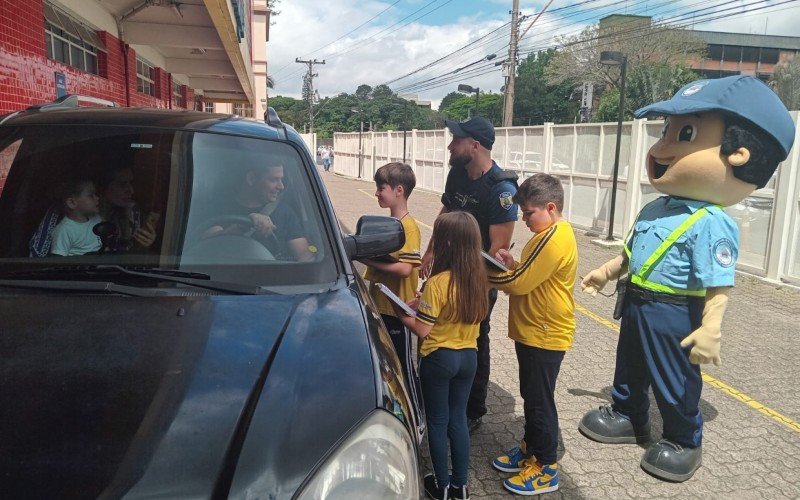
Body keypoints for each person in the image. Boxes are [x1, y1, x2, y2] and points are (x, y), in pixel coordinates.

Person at [578, 76, 795, 482]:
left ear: (740, 154)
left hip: (675, 309)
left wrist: (711, 326)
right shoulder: (656, 208)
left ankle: (683, 439)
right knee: (630, 364)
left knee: (675, 376)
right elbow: (631, 252)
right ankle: (629, 415)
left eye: (686, 134)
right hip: (638, 301)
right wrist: (606, 271)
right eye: (667, 132)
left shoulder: (711, 222)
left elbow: (718, 282)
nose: (662, 148)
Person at [421, 116, 519, 433]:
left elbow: (498, 250)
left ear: (474, 145)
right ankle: (438, 394)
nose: (450, 145)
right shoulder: (457, 173)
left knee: (474, 338)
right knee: (438, 331)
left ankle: (471, 409)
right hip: (446, 271)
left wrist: (463, 285)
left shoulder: (501, 188)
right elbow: (447, 212)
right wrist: (431, 251)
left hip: (477, 279)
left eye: (456, 140)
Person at [487, 174, 577, 496]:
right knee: (532, 396)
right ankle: (530, 449)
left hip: (545, 334)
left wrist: (484, 276)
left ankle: (546, 467)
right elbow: (529, 272)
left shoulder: (554, 239)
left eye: (528, 213)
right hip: (534, 332)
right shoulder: (548, 233)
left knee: (540, 402)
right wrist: (513, 263)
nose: (524, 220)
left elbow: (520, 283)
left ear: (550, 207)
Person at [393, 211, 488, 500]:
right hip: (468, 358)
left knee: (437, 420)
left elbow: (422, 329)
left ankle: (442, 486)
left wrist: (400, 311)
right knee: (458, 419)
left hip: (438, 358)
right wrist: (422, 305)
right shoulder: (479, 280)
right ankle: (461, 487)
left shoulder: (438, 283)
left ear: (446, 243)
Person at [361, 162, 422, 407]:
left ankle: (415, 412)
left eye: (381, 188)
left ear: (399, 190)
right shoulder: (388, 225)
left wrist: (368, 260)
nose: (377, 193)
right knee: (386, 365)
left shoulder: (409, 227)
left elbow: (406, 268)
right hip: (381, 308)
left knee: (403, 368)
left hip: (399, 312)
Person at [205, 163, 314, 262]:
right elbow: (208, 245)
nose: (281, 186)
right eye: (274, 180)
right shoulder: (217, 207)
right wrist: (243, 226)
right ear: (251, 178)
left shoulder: (285, 213)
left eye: (281, 180)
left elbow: (305, 257)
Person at [98, 166, 157, 252]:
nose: (131, 190)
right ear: (105, 186)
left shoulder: (133, 210)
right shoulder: (87, 213)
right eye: (122, 184)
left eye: (131, 183)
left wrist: (146, 242)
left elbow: (133, 250)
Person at [49, 179, 103, 256]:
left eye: (96, 194)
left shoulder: (97, 219)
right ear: (72, 203)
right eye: (91, 195)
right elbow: (58, 260)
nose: (97, 198)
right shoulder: (65, 230)